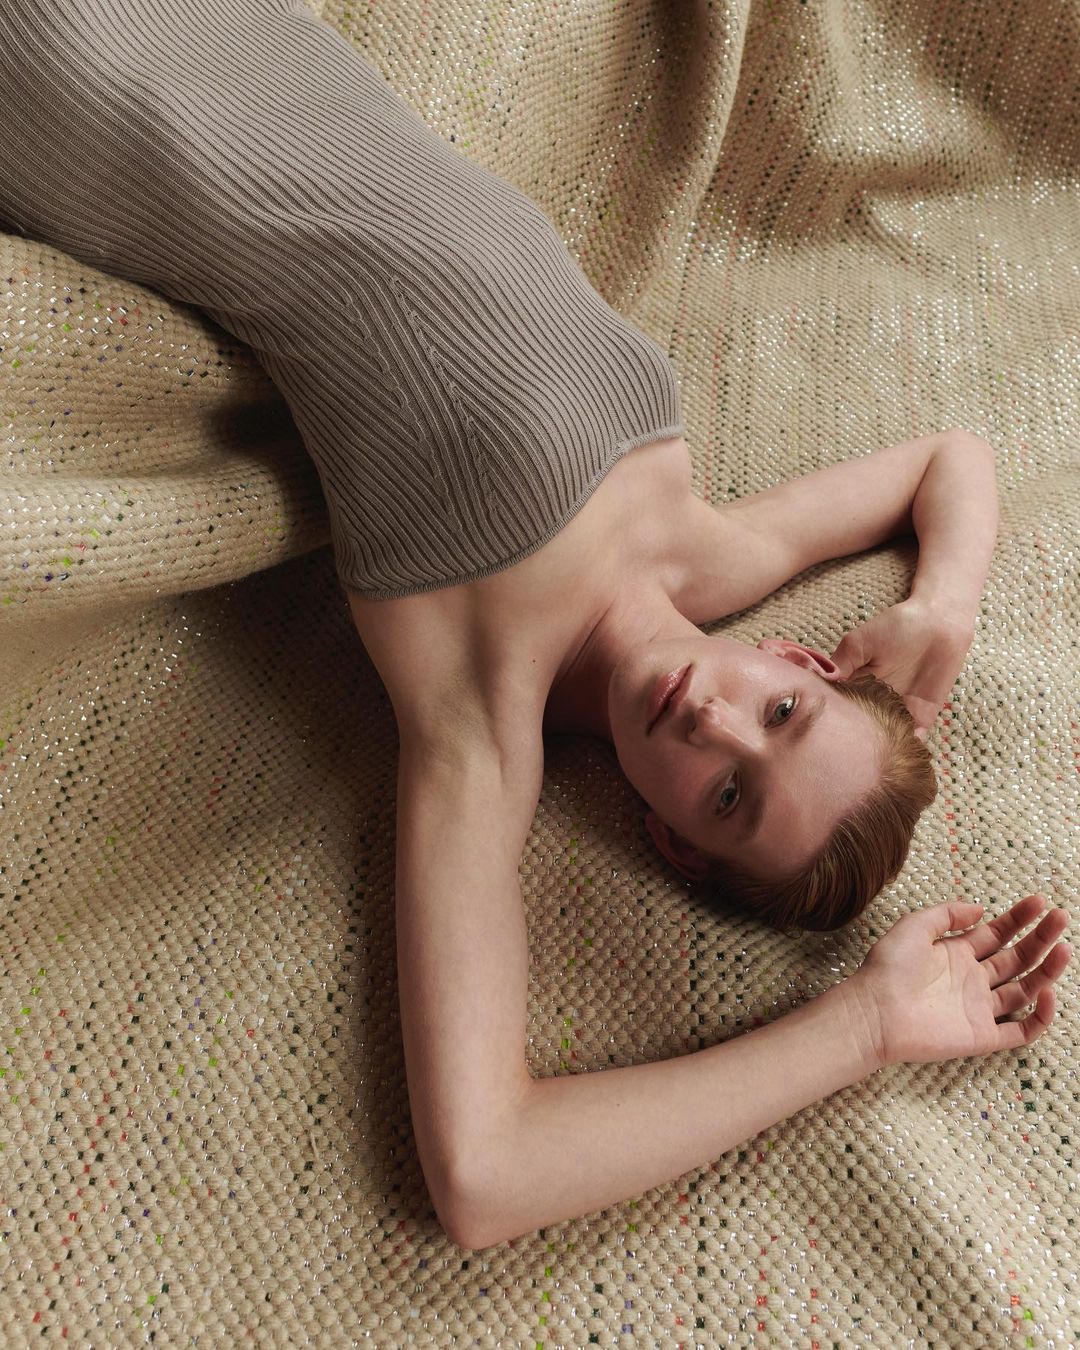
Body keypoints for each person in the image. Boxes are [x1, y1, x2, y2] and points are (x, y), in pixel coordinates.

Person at [1, 0, 1069, 1253]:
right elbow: (950, 458)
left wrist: (863, 1029)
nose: (717, 723)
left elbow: (487, 1172)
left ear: (673, 843)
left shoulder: (478, 723)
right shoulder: (711, 552)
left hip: (84, 76)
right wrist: (941, 605)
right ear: (792, 657)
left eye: (730, 795)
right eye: (782, 712)